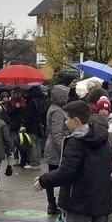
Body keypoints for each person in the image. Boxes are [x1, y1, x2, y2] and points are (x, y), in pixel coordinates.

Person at [43, 85, 69, 214]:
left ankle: (52, 204)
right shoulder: (58, 111)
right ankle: (54, 204)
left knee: (51, 176)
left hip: (52, 146)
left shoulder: (53, 108)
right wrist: (64, 149)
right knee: (57, 176)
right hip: (56, 148)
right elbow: (57, 133)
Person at [24, 85, 46, 170]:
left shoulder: (31, 101)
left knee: (32, 144)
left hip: (31, 126)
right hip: (38, 126)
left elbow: (28, 115)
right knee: (37, 144)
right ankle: (37, 163)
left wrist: (25, 125)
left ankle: (33, 163)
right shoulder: (41, 100)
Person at [7, 88, 25, 165]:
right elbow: (9, 113)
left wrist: (21, 107)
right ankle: (16, 158)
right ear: (13, 93)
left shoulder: (24, 101)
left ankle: (23, 159)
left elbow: (25, 113)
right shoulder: (10, 102)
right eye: (16, 93)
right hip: (14, 125)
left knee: (22, 143)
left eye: (19, 93)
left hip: (22, 125)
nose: (17, 94)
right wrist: (15, 107)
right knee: (14, 142)